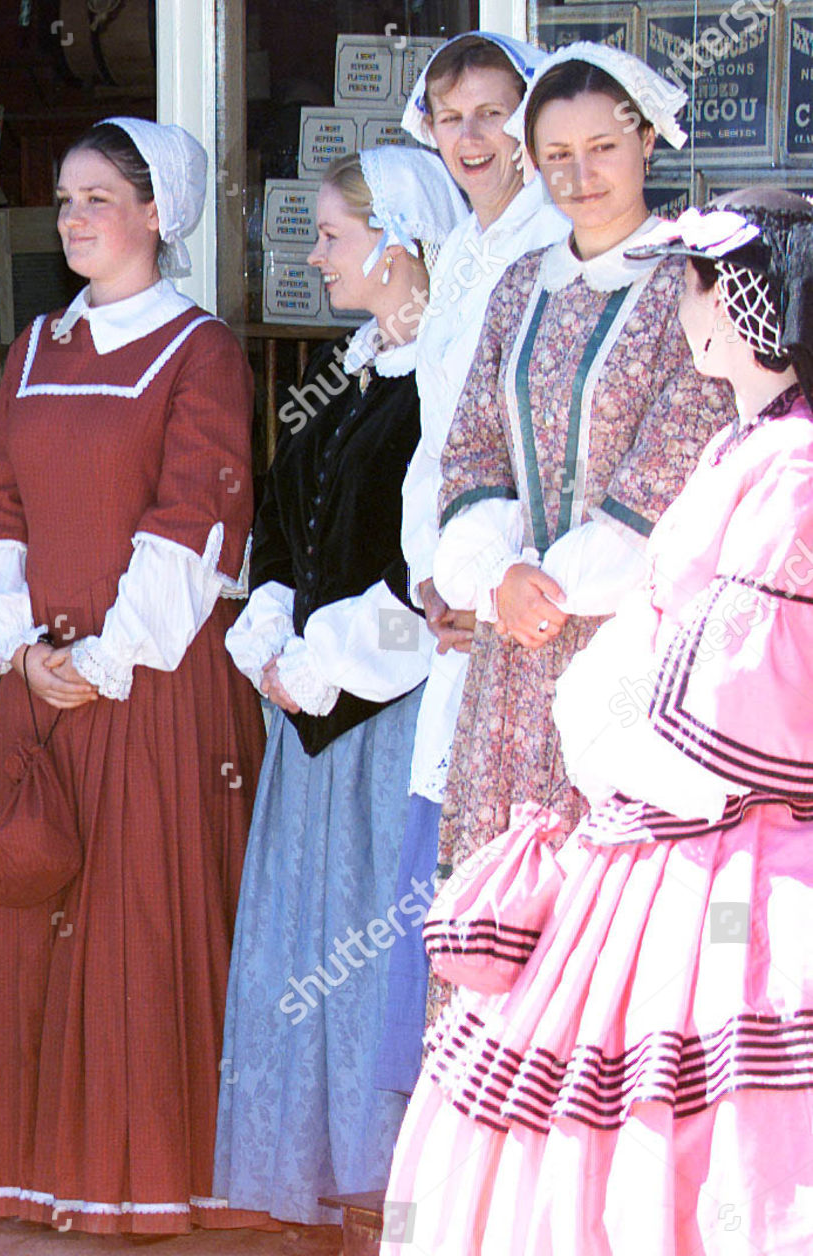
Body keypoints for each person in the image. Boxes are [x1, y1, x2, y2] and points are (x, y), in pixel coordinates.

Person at [382, 186, 813, 1255]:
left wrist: (601, 723)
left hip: (732, 853)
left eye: (698, 284)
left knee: (705, 1114)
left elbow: (736, 706)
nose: (683, 304)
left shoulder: (790, 467)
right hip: (670, 838)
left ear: (734, 307)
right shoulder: (752, 450)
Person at [0, 117, 264, 1236]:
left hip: (155, 686)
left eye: (97, 199)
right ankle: (44, 1171)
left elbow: (195, 519)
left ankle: (151, 1170)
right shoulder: (34, 347)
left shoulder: (202, 350)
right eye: (67, 199)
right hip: (50, 683)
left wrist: (105, 657)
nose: (74, 218)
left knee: (138, 926)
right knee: (42, 906)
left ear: (156, 215)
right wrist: (23, 646)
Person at [428, 43, 736, 1016]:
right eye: (554, 154)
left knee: (620, 907)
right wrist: (497, 575)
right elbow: (472, 442)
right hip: (513, 654)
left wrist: (547, 585)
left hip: (635, 646)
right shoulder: (521, 283)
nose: (579, 174)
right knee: (507, 900)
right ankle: (493, 1156)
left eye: (602, 146)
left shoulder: (688, 279)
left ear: (647, 140)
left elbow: (680, 452)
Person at [212, 146, 467, 1225]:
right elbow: (283, 528)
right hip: (310, 722)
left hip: (388, 720)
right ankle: (318, 1171)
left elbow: (434, 570)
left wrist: (325, 660)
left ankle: (392, 1184)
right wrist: (270, 627)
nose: (312, 256)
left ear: (397, 238)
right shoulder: (353, 370)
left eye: (329, 234)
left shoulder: (447, 379)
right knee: (309, 953)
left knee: (376, 953)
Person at [373, 31, 571, 1096]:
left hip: (522, 599)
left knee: (524, 867)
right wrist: (428, 572)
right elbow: (437, 439)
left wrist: (482, 573)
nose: (473, 136)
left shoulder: (548, 247)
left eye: (494, 112)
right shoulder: (462, 255)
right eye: (453, 117)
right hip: (455, 595)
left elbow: (531, 442)